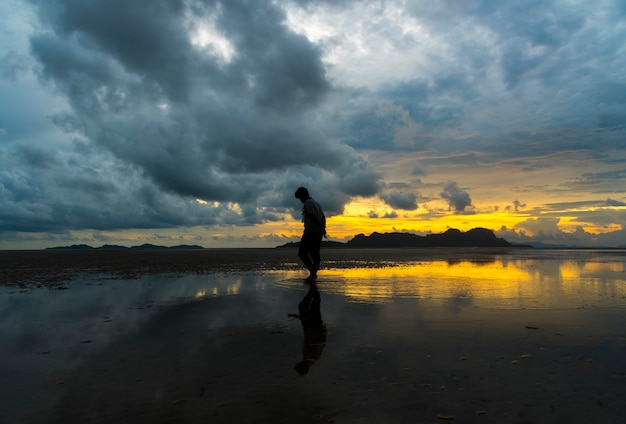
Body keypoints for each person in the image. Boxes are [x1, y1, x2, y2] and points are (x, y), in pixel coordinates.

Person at [294, 187, 326, 283]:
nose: (300, 201)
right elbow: (323, 216)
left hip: (311, 231)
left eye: (300, 198)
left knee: (303, 253)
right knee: (314, 254)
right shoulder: (316, 203)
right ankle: (313, 274)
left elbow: (312, 216)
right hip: (317, 232)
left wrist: (321, 227)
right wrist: (323, 228)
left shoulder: (308, 203)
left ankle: (313, 273)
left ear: (303, 195)